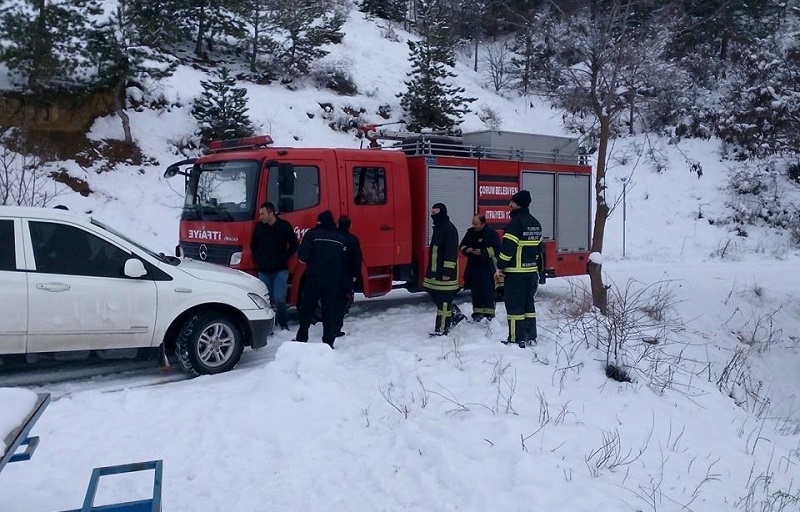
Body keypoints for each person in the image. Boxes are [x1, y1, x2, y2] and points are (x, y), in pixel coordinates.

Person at [495, 190, 546, 348]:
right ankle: (531, 336)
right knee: (528, 305)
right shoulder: (536, 223)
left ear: (517, 204)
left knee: (514, 306)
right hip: (530, 273)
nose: (509, 204)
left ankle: (516, 339)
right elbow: (540, 250)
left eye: (512, 202)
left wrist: (499, 267)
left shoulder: (515, 223)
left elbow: (508, 250)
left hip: (515, 274)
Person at [294, 210, 346, 348]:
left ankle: (302, 337)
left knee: (307, 309)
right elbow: (343, 258)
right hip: (333, 279)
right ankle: (329, 342)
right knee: (329, 310)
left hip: (314, 277)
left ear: (319, 222)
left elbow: (303, 256)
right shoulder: (340, 238)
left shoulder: (312, 234)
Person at [250, 202, 298, 331]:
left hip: (280, 268)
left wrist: (283, 258)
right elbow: (253, 245)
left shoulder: (284, 226)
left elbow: (294, 245)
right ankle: (268, 326)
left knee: (279, 297)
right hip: (263, 269)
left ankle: (283, 323)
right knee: (266, 298)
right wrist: (259, 259)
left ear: (271, 213)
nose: (260, 217)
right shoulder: (259, 227)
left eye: (263, 214)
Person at [423, 203, 464, 336]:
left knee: (444, 303)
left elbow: (451, 253)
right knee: (436, 297)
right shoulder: (439, 228)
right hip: (435, 272)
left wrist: (447, 272)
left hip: (445, 274)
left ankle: (442, 329)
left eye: (435, 213)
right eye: (432, 213)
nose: (432, 216)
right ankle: (456, 316)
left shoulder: (449, 229)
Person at [460, 213, 501, 322]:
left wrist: (482, 252)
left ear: (483, 223)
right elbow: (462, 245)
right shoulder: (470, 233)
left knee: (488, 291)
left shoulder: (491, 233)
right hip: (473, 267)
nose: (474, 226)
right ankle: (477, 312)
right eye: (473, 223)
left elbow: (497, 248)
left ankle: (489, 314)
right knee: (476, 291)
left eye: (476, 224)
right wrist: (466, 250)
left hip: (487, 267)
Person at [335, 215, 363, 337]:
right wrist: (355, 275)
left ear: (338, 224)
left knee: (330, 301)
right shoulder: (353, 239)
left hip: (331, 274)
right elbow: (357, 259)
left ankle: (329, 327)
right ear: (350, 226)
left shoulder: (333, 237)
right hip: (346, 276)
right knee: (341, 303)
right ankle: (336, 329)